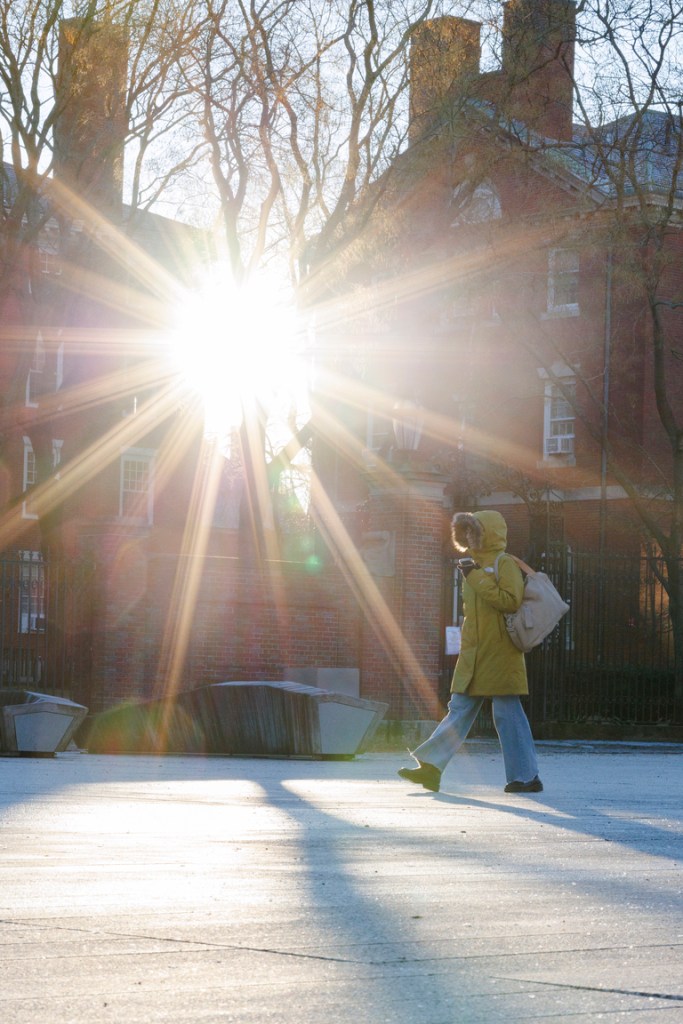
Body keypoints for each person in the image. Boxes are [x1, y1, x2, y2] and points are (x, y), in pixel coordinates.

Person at [398, 509, 543, 795]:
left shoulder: (505, 564)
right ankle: (431, 768)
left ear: (486, 533)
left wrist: (475, 577)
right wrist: (473, 573)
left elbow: (511, 601)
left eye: (473, 531)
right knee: (459, 709)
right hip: (474, 653)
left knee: (507, 713)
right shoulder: (473, 565)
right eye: (464, 532)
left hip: (500, 653)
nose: (468, 537)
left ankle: (526, 778)